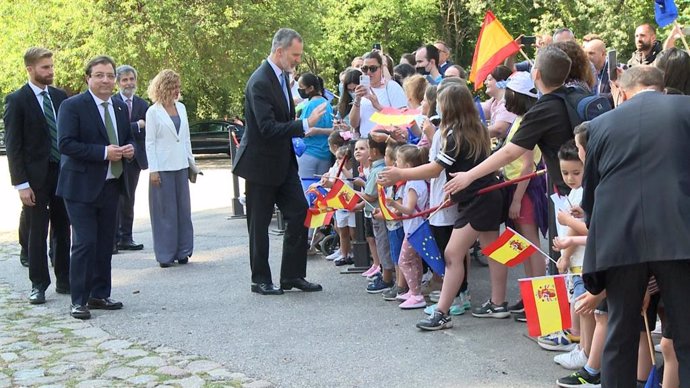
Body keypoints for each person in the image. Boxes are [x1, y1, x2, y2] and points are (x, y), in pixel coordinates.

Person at [581, 65, 690, 387]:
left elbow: (592, 194)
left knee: (620, 333)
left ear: (622, 92)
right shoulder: (686, 109)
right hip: (679, 233)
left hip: (619, 237)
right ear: (662, 87)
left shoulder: (600, 125)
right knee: (687, 335)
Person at [379, 83, 505, 330]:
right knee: (492, 250)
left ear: (448, 107)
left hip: (478, 199)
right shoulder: (477, 128)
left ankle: (442, 312)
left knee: (452, 254)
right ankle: (498, 302)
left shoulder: (453, 135)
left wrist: (399, 175)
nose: (437, 106)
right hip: (486, 195)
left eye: (440, 102)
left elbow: (436, 168)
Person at [232, 28, 325, 295]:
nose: (298, 60)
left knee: (299, 212)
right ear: (280, 51)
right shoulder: (260, 81)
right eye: (295, 55)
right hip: (260, 165)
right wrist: (305, 123)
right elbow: (267, 128)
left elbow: (282, 118)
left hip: (283, 163)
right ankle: (260, 279)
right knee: (259, 225)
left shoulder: (283, 77)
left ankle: (292, 275)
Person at [56, 55, 135, 319]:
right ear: (87, 78)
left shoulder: (120, 108)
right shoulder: (72, 106)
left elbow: (125, 138)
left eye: (110, 75)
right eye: (99, 75)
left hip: (111, 185)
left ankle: (100, 294)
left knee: (105, 244)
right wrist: (103, 153)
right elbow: (66, 144)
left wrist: (130, 150)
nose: (105, 80)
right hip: (80, 187)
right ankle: (78, 299)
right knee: (85, 243)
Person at [4, 47, 71, 304]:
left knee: (63, 227)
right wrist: (21, 184)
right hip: (33, 178)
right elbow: (14, 146)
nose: (50, 71)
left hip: (62, 172)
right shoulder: (17, 100)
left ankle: (65, 279)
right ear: (30, 69)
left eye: (51, 66)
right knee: (37, 231)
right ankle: (39, 284)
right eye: (45, 68)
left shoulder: (59, 97)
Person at [145, 70, 195, 268]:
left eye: (178, 87)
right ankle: (165, 254)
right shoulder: (153, 112)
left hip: (181, 165)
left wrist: (192, 163)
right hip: (162, 167)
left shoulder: (181, 108)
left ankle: (184, 251)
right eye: (173, 87)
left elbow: (186, 138)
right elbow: (150, 143)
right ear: (163, 88)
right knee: (164, 212)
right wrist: (153, 170)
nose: (177, 90)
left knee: (183, 210)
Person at [113, 65, 149, 252]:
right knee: (114, 198)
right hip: (115, 157)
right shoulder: (111, 102)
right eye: (125, 80)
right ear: (118, 82)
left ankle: (127, 237)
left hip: (134, 159)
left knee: (129, 198)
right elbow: (117, 129)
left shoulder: (143, 105)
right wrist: (136, 125)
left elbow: (149, 129)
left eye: (131, 79)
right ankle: (113, 239)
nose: (129, 83)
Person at [349, 51, 407, 138]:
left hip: (386, 141)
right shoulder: (361, 90)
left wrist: (377, 105)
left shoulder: (391, 86)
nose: (368, 72)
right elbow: (354, 124)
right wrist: (357, 100)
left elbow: (403, 117)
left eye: (373, 68)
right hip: (365, 142)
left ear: (381, 69)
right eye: (364, 68)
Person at [296, 72, 334, 179]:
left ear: (311, 88)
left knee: (306, 189)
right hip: (325, 153)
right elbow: (333, 129)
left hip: (308, 152)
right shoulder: (327, 104)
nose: (300, 90)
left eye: (301, 87)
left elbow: (303, 129)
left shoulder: (309, 105)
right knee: (321, 190)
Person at [480, 65, 517, 139]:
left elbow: (499, 129)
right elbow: (478, 110)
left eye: (489, 79)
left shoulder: (508, 102)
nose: (485, 83)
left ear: (501, 81)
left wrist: (470, 134)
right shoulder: (495, 101)